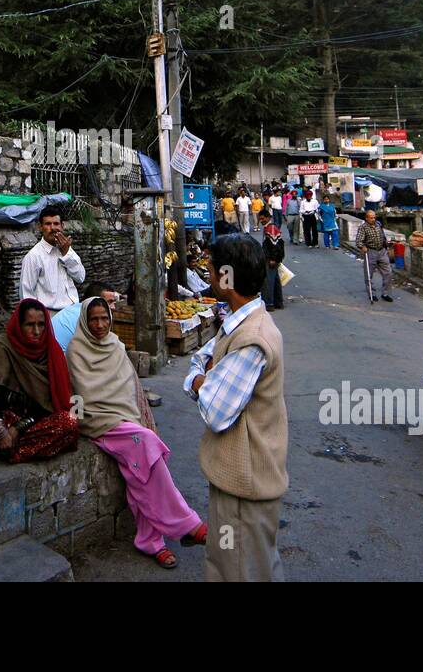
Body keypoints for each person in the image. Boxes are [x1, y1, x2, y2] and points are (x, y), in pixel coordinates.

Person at [66, 297, 206, 569]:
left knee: (142, 467)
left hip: (126, 420)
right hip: (98, 423)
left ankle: (150, 540)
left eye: (104, 318)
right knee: (147, 445)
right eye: (93, 319)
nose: (99, 325)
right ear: (84, 320)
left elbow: (130, 390)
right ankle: (187, 522)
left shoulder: (116, 346)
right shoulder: (76, 351)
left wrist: (141, 419)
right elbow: (82, 398)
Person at [183, 234, 288, 582]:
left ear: (226, 276)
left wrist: (200, 381)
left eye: (211, 268)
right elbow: (202, 359)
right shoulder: (238, 323)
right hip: (236, 479)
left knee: (239, 568)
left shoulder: (251, 338)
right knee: (236, 562)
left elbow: (214, 409)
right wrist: (204, 375)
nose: (208, 273)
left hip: (245, 484)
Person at [0, 299, 81, 462]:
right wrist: (0, 430)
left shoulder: (52, 354)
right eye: (30, 325)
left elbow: (50, 405)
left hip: (32, 422)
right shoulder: (0, 349)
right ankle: (11, 447)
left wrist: (18, 429)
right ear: (19, 325)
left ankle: (0, 451)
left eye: (41, 324)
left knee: (69, 423)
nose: (37, 331)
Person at [19, 208, 85, 313]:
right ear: (40, 227)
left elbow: (80, 277)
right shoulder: (34, 256)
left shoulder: (67, 249)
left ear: (62, 226)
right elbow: (26, 294)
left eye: (56, 223)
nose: (53, 228)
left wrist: (66, 254)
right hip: (49, 314)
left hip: (73, 310)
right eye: (48, 224)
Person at [356, 209, 392, 301]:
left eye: (374, 217)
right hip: (371, 252)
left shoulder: (378, 225)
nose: (373, 219)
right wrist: (362, 247)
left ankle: (385, 293)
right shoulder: (363, 227)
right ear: (367, 218)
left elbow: (383, 236)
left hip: (382, 251)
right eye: (371, 218)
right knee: (369, 275)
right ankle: (372, 294)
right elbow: (359, 241)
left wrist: (386, 246)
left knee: (388, 273)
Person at [258, 209, 286, 311]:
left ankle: (269, 303)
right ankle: (278, 302)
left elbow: (275, 246)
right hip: (272, 258)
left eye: (262, 219)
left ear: (268, 217)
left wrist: (273, 259)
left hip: (271, 259)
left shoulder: (271, 228)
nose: (261, 221)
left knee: (268, 281)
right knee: (275, 280)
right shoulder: (270, 228)